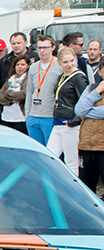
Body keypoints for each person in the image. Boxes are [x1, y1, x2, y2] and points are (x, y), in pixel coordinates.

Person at [48, 47, 88, 175]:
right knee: (50, 156)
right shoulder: (62, 76)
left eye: (72, 60)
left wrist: (74, 121)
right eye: (65, 62)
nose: (69, 64)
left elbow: (85, 101)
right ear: (59, 62)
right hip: (58, 122)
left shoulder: (79, 77)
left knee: (71, 161)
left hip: (69, 123)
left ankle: (74, 190)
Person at [25, 35, 63, 145]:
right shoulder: (33, 66)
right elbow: (29, 91)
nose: (42, 51)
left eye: (45, 47)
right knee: (36, 149)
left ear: (53, 47)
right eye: (39, 47)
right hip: (33, 115)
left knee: (51, 150)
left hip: (50, 116)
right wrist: (28, 115)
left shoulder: (59, 65)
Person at [75, 62, 104, 193]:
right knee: (86, 187)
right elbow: (79, 110)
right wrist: (97, 91)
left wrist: (87, 111)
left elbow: (84, 111)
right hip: (86, 144)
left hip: (102, 146)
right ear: (99, 71)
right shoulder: (91, 88)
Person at [0, 54, 30, 134]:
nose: (20, 67)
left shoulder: (28, 79)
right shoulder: (10, 79)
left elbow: (23, 94)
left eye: (23, 64)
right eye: (17, 64)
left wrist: (7, 93)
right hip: (7, 116)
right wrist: (10, 101)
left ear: (28, 66)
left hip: (21, 117)